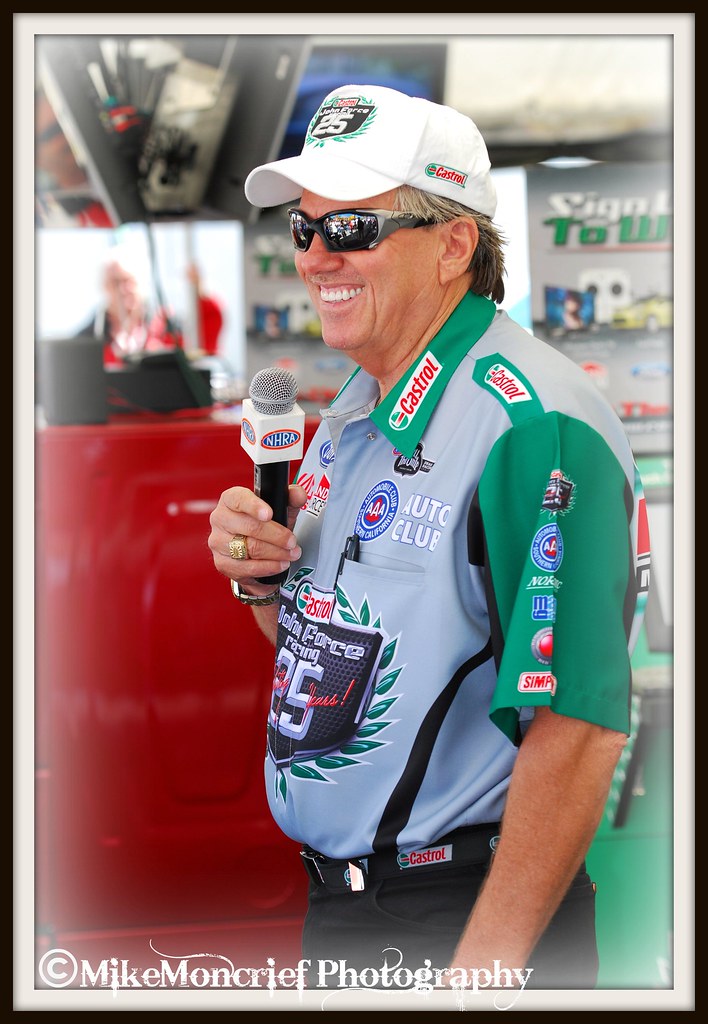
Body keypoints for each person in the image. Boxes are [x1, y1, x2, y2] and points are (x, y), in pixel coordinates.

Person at [208, 84, 649, 992]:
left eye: (354, 230)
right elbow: (319, 658)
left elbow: (579, 725)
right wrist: (261, 581)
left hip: (470, 925)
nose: (317, 256)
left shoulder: (534, 426)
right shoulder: (348, 416)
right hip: (349, 912)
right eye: (304, 229)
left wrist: (478, 978)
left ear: (455, 243)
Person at [80, 248, 223, 366]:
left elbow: (204, 340)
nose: (123, 289)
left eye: (128, 280)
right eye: (115, 282)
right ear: (104, 287)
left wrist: (199, 293)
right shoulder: (89, 338)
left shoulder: (166, 325)